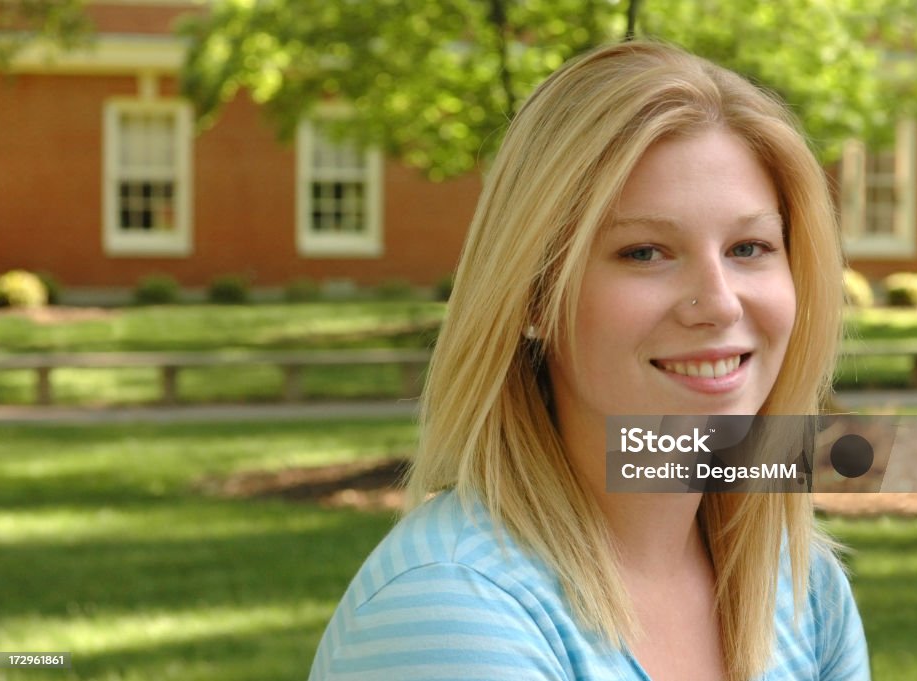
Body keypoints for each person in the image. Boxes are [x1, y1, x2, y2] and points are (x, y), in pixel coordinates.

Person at [308, 40, 869, 681]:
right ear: (534, 297)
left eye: (749, 247)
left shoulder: (803, 591)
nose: (717, 303)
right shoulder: (455, 606)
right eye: (644, 252)